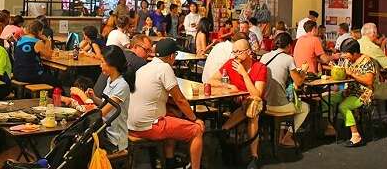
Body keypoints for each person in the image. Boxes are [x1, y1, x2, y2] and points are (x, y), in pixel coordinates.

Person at [128, 38, 205, 169]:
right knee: (197, 130)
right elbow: (179, 99)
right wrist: (195, 119)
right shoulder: (165, 68)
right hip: (148, 127)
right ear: (171, 56)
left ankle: (170, 161)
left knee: (173, 115)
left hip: (131, 124)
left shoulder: (144, 67)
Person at [208, 39, 267, 168]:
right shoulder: (231, 64)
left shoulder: (260, 68)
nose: (235, 55)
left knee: (253, 106)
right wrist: (228, 86)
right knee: (250, 109)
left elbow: (257, 94)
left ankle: (225, 130)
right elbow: (211, 80)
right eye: (233, 52)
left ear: (248, 52)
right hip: (235, 102)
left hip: (257, 104)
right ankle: (253, 157)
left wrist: (244, 74)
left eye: (238, 52)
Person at [260, 33, 309, 147]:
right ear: (288, 46)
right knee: (305, 108)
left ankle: (280, 135)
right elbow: (298, 82)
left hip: (264, 104)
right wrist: (304, 70)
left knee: (286, 99)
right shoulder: (288, 59)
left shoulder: (265, 57)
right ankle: (287, 138)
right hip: (278, 106)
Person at [327, 38, 377, 147]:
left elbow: (369, 81)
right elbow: (343, 74)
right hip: (349, 91)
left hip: (363, 93)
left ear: (355, 53)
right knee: (327, 99)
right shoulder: (348, 60)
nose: (344, 55)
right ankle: (329, 128)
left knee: (343, 106)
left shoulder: (367, 61)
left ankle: (356, 135)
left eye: (346, 53)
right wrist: (334, 68)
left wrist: (352, 74)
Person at [85, 45, 135, 153]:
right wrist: (93, 97)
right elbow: (106, 104)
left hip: (113, 139)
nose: (100, 65)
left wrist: (86, 113)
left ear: (113, 64)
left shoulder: (122, 85)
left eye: (103, 62)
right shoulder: (110, 80)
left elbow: (103, 112)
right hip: (104, 131)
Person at [358, 23, 387, 131]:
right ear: (373, 33)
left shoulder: (355, 44)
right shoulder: (374, 48)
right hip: (370, 88)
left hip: (354, 86)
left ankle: (379, 115)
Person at [12, 19, 56, 86]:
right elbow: (48, 55)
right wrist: (47, 41)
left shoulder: (20, 39)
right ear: (39, 31)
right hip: (30, 75)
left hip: (17, 73)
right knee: (55, 81)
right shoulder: (37, 42)